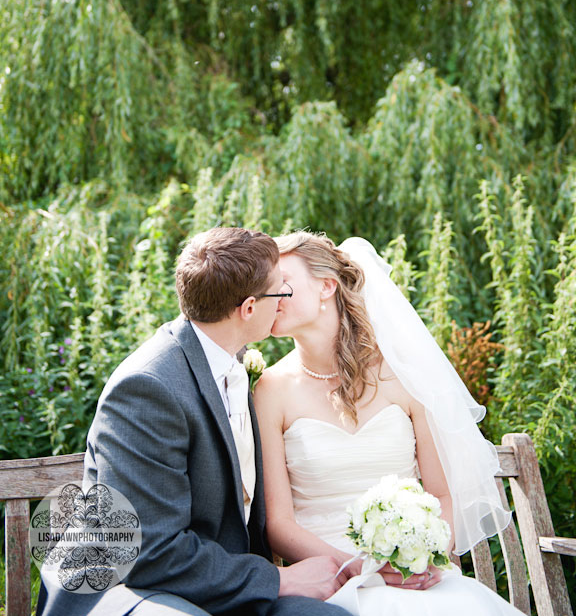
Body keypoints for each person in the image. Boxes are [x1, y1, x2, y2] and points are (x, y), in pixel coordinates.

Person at [39, 227, 352, 616]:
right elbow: (149, 552)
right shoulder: (147, 389)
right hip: (130, 589)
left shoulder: (230, 359)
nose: (284, 301)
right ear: (249, 309)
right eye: (279, 292)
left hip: (212, 582)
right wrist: (280, 579)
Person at [254, 232, 524, 616]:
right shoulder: (270, 390)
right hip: (329, 582)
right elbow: (279, 524)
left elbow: (442, 496)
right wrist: (360, 568)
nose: (269, 295)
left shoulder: (404, 376)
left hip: (415, 578)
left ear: (326, 286)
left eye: (281, 282)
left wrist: (425, 555)